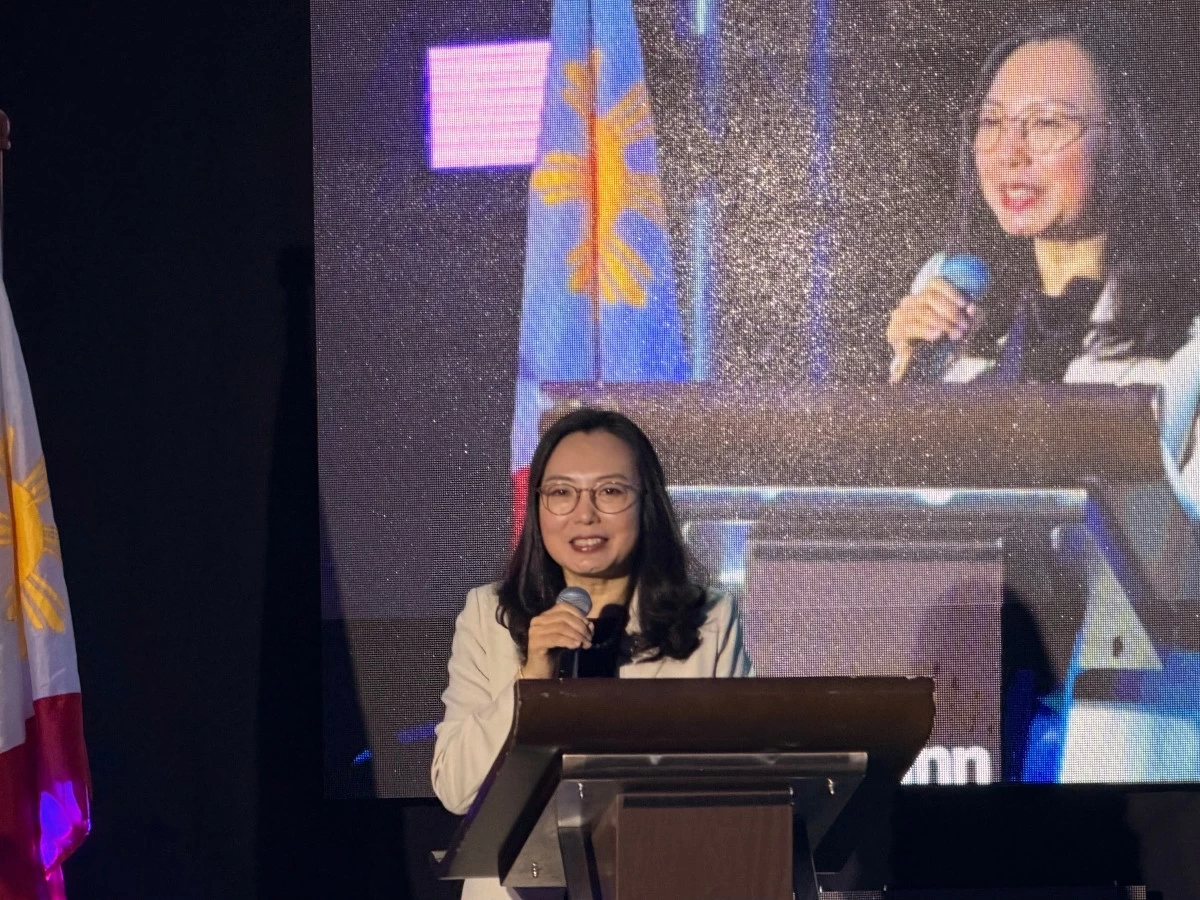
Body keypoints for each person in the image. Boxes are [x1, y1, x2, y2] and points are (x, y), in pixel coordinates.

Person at [431, 407, 754, 900]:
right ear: (538, 507)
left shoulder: (707, 619)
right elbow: (456, 789)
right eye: (561, 493)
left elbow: (730, 784)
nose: (585, 514)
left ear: (645, 503)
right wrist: (532, 681)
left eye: (610, 491)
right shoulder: (490, 615)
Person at [885, 4, 1200, 505]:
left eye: (1048, 124)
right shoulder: (961, 320)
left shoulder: (1188, 347)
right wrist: (910, 384)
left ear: (1129, 140)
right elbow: (911, 523)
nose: (1010, 154)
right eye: (992, 121)